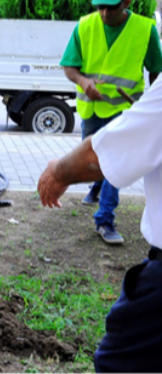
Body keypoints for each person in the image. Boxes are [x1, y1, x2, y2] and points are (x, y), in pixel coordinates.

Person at [38, 77, 162, 373]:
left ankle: (104, 217)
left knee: (118, 363)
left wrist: (58, 171)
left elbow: (100, 156)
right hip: (98, 114)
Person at [60, 0, 162, 245]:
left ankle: (104, 219)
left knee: (113, 161)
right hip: (92, 110)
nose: (105, 13)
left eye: (112, 7)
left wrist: (150, 105)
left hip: (126, 111)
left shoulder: (145, 29)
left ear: (126, 2)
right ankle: (97, 186)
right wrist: (83, 81)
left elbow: (157, 72)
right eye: (100, 6)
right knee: (97, 161)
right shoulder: (85, 26)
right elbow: (69, 65)